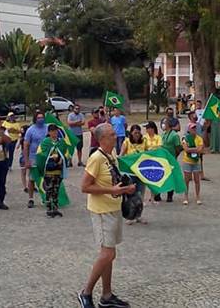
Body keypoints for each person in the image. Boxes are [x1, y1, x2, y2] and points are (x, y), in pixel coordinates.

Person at [77, 123, 135, 308]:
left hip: (114, 208)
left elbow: (113, 180)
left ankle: (107, 295)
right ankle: (85, 293)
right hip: (101, 211)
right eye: (111, 134)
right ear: (102, 139)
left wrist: (125, 188)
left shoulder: (112, 155)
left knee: (110, 255)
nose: (115, 136)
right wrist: (112, 189)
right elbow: (85, 187)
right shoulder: (96, 158)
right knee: (107, 254)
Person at [36, 124, 67, 218]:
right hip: (49, 170)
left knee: (56, 190)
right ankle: (49, 209)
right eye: (52, 131)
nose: (54, 133)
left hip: (58, 170)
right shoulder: (45, 142)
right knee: (49, 190)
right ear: (49, 132)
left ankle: (56, 208)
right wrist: (51, 157)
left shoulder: (61, 142)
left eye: (56, 131)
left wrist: (62, 158)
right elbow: (41, 154)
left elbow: (65, 152)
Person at [23, 112, 48, 208]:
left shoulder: (47, 128)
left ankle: (45, 197)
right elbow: (26, 145)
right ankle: (31, 199)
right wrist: (26, 160)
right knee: (32, 179)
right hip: (34, 157)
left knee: (46, 178)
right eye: (38, 118)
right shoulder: (30, 130)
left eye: (42, 117)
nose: (41, 119)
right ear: (35, 119)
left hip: (45, 157)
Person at [156, 117, 182, 203]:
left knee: (171, 178)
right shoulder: (163, 134)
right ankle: (158, 194)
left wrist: (174, 157)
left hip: (171, 159)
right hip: (163, 159)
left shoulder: (174, 135)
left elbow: (178, 148)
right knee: (161, 177)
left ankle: (169, 196)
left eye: (165, 123)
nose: (163, 124)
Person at [181, 123, 205, 205]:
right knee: (186, 180)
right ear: (189, 130)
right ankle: (186, 197)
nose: (194, 130)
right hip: (187, 161)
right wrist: (195, 149)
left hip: (196, 161)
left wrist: (191, 149)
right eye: (192, 129)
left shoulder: (199, 139)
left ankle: (198, 197)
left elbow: (200, 150)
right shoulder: (185, 139)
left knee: (197, 180)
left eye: (195, 129)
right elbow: (185, 149)